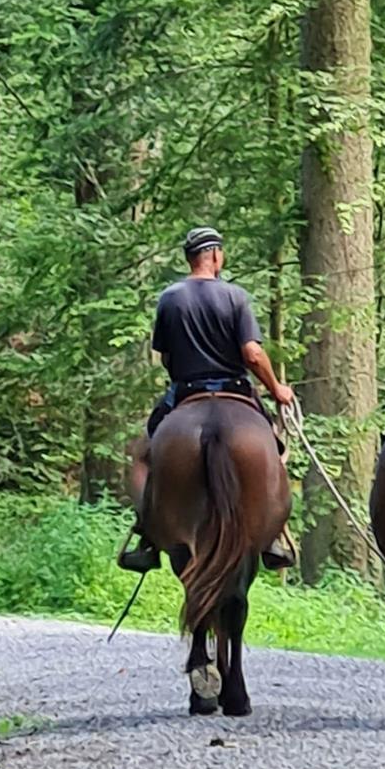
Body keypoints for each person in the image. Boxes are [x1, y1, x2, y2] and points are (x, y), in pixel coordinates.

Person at [119, 226, 296, 574]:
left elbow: (167, 357)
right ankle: (275, 535)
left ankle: (147, 535)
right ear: (215, 256)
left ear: (190, 258)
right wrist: (277, 389)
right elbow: (252, 354)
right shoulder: (235, 297)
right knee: (275, 452)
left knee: (142, 457)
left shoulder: (170, 297)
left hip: (185, 391)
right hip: (236, 389)